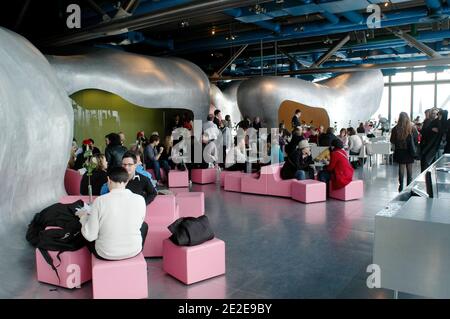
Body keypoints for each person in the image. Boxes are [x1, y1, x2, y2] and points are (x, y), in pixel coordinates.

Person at [78, 167, 147, 261]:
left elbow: (90, 236)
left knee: (86, 230)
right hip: (134, 250)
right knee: (144, 225)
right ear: (127, 181)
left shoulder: (100, 201)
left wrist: (83, 217)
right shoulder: (140, 199)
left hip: (106, 253)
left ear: (108, 180)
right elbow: (139, 224)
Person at [390, 112, 416, 192]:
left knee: (401, 168)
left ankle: (401, 185)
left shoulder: (395, 129)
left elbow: (392, 140)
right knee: (409, 168)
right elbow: (415, 139)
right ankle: (409, 185)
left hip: (400, 151)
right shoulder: (412, 128)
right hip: (409, 150)